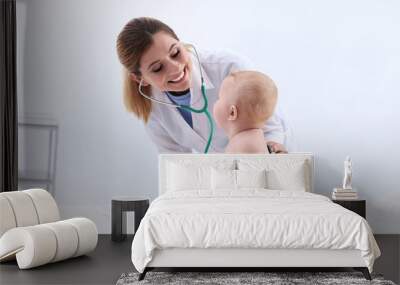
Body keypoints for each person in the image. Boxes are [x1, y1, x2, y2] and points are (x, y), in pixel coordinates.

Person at [116, 17, 289, 153]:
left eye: (175, 52)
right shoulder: (150, 106)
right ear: (140, 79)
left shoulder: (230, 67)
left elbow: (271, 129)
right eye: (158, 68)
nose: (175, 68)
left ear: (181, 43)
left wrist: (266, 155)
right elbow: (174, 163)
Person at [213, 71, 278, 153]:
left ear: (232, 113)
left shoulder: (243, 145)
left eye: (219, 98)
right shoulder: (252, 139)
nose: (215, 102)